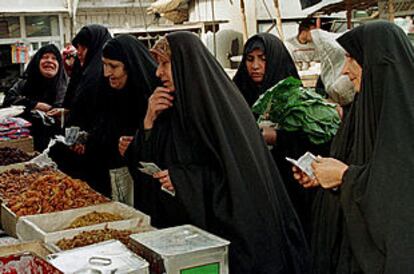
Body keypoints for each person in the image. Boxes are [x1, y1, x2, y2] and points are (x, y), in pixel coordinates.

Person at [125, 32, 310, 274]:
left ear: (185, 65)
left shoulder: (222, 113)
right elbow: (146, 167)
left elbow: (243, 185)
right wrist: (149, 121)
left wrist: (184, 180)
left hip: (228, 247)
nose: (158, 72)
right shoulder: (170, 109)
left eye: (165, 64)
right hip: (182, 242)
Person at [294, 21, 414, 273]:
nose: (344, 71)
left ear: (377, 64)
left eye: (353, 59)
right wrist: (323, 175)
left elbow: (401, 202)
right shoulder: (360, 111)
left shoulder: (406, 120)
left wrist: (346, 177)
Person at [233, 33, 331, 241]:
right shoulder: (237, 94)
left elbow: (315, 141)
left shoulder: (294, 96)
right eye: (250, 60)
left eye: (263, 59)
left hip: (290, 190)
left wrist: (279, 137)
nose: (255, 66)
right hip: (252, 190)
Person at [85, 34, 159, 199]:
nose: (106, 73)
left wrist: (136, 143)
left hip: (141, 186)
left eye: (113, 66)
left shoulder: (152, 97)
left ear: (130, 65)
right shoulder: (107, 92)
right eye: (104, 65)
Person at [48, 24, 111, 195]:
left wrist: (89, 140)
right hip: (83, 147)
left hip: (99, 154)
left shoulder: (100, 74)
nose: (80, 51)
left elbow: (104, 113)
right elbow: (81, 106)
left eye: (84, 46)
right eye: (78, 47)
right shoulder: (86, 72)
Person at [3, 44, 67, 150]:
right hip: (25, 146)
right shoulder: (24, 83)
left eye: (54, 58)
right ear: (37, 61)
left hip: (57, 147)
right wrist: (35, 105)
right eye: (45, 57)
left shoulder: (66, 87)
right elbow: (8, 100)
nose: (49, 61)